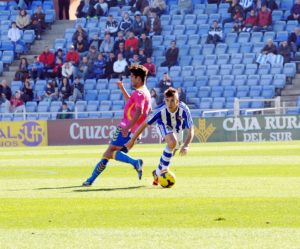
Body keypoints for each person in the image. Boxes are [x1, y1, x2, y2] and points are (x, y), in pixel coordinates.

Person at [82, 65, 151, 186]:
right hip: (133, 131)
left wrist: (128, 127)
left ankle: (135, 162)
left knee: (108, 153)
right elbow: (132, 104)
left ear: (139, 79)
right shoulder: (144, 93)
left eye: (132, 77)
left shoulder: (139, 93)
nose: (131, 79)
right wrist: (122, 89)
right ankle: (90, 180)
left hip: (126, 128)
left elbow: (139, 111)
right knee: (111, 153)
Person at [125, 87, 194, 185]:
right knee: (172, 143)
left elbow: (191, 130)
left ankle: (157, 172)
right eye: (167, 100)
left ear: (177, 101)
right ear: (164, 100)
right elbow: (144, 124)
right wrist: (132, 140)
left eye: (172, 101)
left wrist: (186, 145)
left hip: (178, 129)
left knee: (172, 150)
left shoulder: (184, 109)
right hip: (163, 125)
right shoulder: (159, 111)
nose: (169, 103)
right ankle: (164, 172)